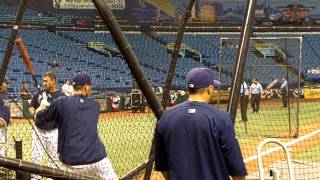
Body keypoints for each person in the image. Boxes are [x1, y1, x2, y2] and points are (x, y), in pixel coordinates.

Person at [155, 67, 247, 180]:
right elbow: (236, 168)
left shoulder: (166, 117)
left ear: (188, 89)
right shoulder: (221, 117)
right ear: (210, 88)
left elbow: (162, 166)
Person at [35, 72, 118, 179]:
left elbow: (40, 121)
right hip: (98, 160)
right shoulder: (95, 106)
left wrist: (42, 108)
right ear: (86, 87)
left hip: (71, 163)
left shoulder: (61, 103)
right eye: (89, 86)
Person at [29, 72, 65, 179]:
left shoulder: (61, 97)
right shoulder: (40, 94)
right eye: (43, 81)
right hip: (39, 131)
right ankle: (35, 178)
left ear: (53, 81)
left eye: (46, 81)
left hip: (53, 132)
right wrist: (36, 112)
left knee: (53, 159)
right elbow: (31, 106)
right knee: (36, 158)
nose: (44, 83)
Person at [0, 78, 10, 157]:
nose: (7, 85)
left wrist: (9, 118)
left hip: (4, 126)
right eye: (6, 83)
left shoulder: (5, 95)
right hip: (0, 125)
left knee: (3, 146)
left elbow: (5, 108)